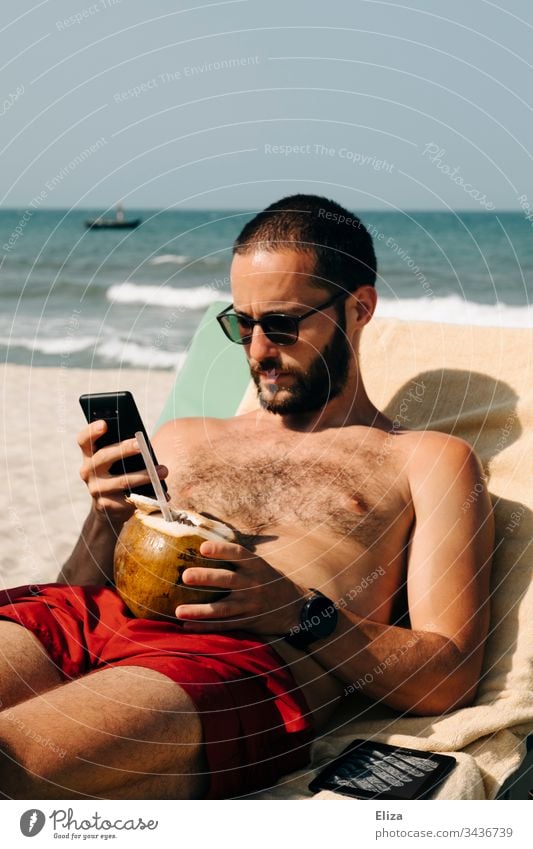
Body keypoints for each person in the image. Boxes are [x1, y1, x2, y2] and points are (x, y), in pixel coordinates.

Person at [0, 194, 494, 800]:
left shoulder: (425, 458)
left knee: (12, 760)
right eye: (242, 323)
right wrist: (106, 519)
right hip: (78, 621)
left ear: (359, 308)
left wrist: (293, 610)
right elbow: (79, 587)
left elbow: (447, 676)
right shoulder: (184, 437)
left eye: (282, 324)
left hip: (232, 662)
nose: (258, 350)